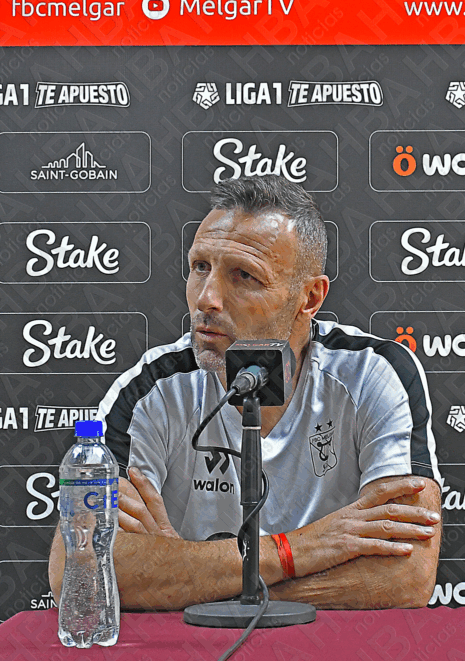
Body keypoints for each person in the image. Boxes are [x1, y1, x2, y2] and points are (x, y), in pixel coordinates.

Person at [48, 176, 442, 610]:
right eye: (200, 267)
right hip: (197, 657)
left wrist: (187, 574)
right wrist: (297, 549)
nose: (207, 299)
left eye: (244, 275)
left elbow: (405, 576)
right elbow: (78, 568)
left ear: (309, 298)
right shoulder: (150, 389)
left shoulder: (373, 374)